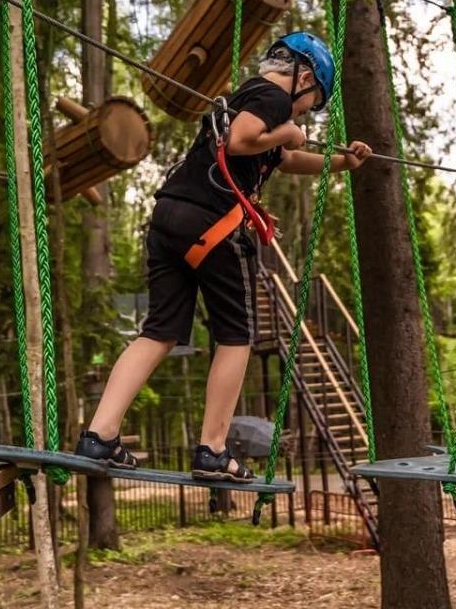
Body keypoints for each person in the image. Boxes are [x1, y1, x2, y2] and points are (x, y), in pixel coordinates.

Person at [76, 32, 373, 482]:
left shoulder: (244, 99)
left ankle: (100, 435)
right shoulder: (273, 98)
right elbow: (242, 140)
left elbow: (283, 158)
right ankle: (213, 449)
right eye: (308, 105)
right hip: (212, 224)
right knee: (236, 336)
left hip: (170, 217)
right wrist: (289, 129)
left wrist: (341, 163)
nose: (300, 115)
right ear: (303, 79)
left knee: (159, 331)